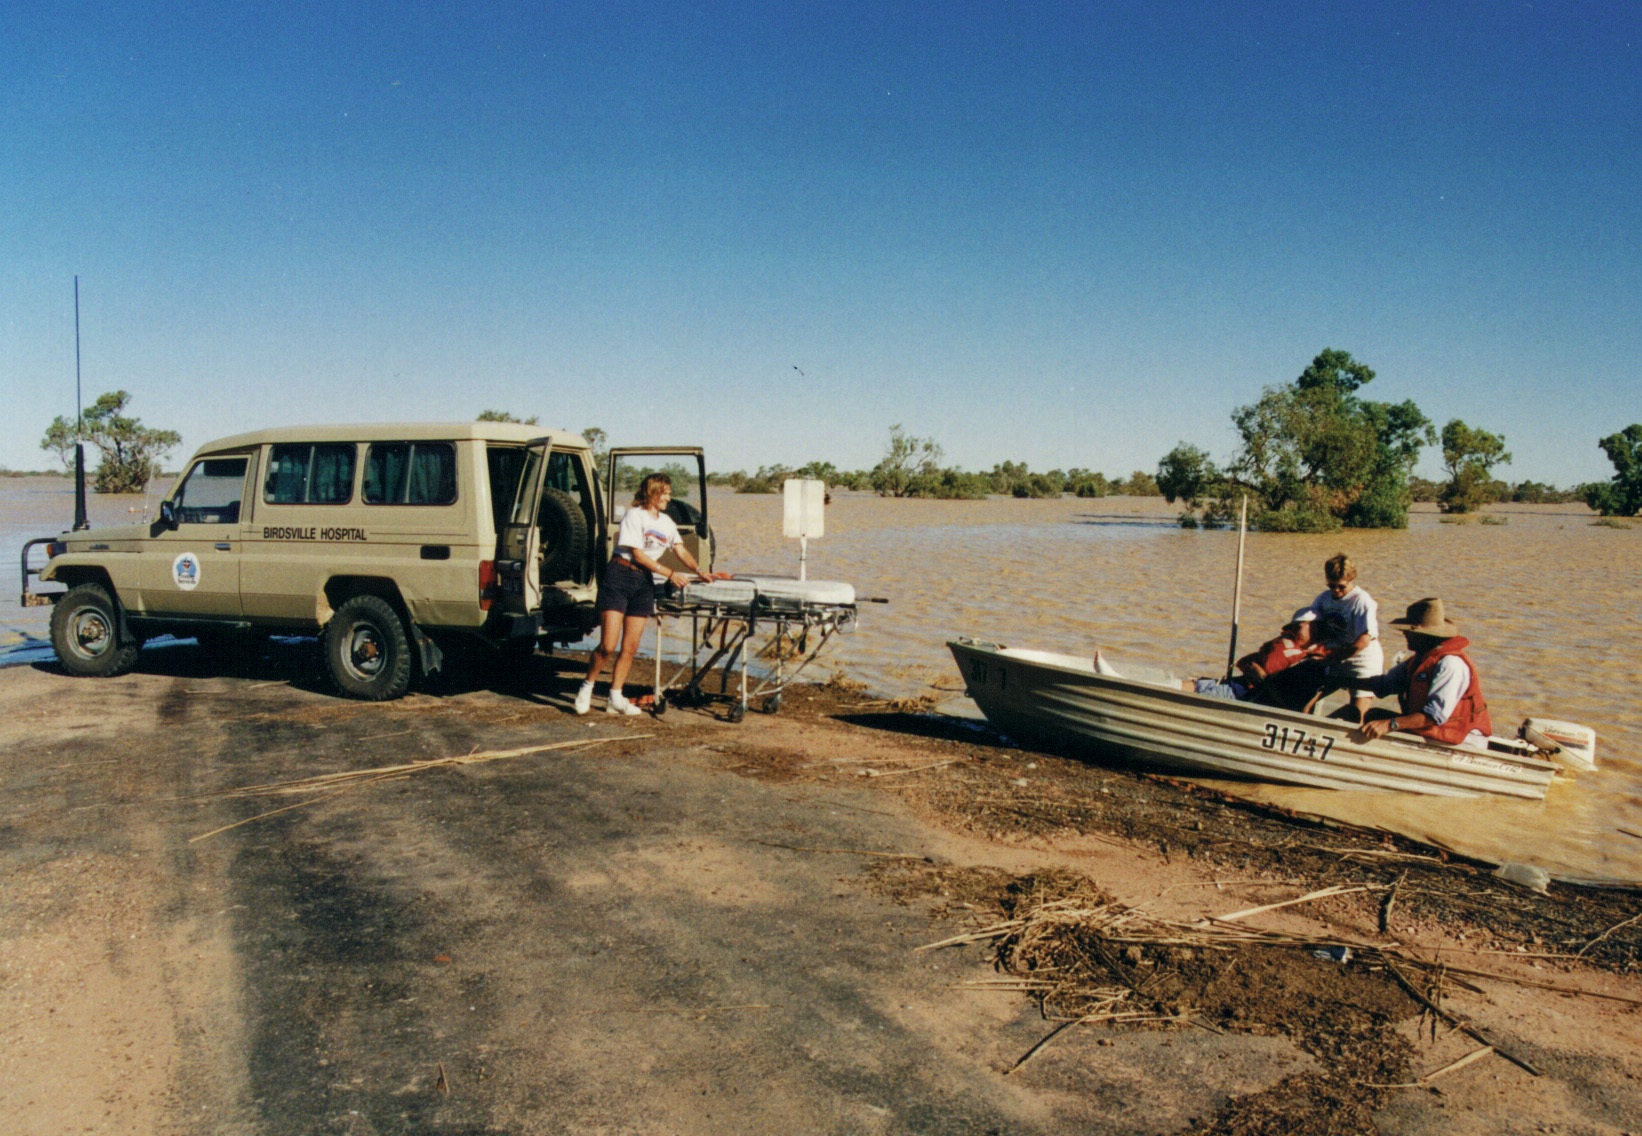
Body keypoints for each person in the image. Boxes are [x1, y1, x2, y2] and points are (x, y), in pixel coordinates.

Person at [574, 473, 711, 716]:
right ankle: (586, 687)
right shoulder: (634, 515)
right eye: (665, 493)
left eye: (669, 493)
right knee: (607, 645)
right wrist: (670, 573)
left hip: (643, 583)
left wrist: (699, 570)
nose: (669, 498)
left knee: (630, 647)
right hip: (619, 576)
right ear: (653, 492)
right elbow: (637, 555)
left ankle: (615, 697)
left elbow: (680, 549)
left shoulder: (667, 522)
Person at [1350, 598, 1493, 747]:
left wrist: (1389, 724)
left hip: (1462, 738)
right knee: (1374, 715)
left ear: (1426, 635)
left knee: (1380, 721)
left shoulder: (1450, 664)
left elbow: (1433, 716)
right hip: (1438, 730)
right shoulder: (1419, 660)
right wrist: (1336, 680)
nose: (1404, 634)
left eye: (1409, 631)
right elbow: (1383, 685)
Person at [1189, 608, 1327, 703]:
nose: (1293, 632)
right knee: (1190, 685)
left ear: (1314, 628)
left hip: (1241, 695)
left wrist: (1262, 678)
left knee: (1192, 697)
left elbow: (1290, 701)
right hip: (1235, 685)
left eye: (1298, 627)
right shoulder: (1293, 651)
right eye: (1292, 628)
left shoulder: (1310, 663)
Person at [1308, 553, 1382, 722]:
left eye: (1341, 587)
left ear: (1351, 579)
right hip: (1336, 655)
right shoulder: (1323, 598)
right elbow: (1311, 627)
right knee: (1307, 699)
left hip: (1363, 658)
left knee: (1356, 715)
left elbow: (1363, 640)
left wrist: (1334, 657)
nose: (1336, 591)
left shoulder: (1362, 601)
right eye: (1331, 586)